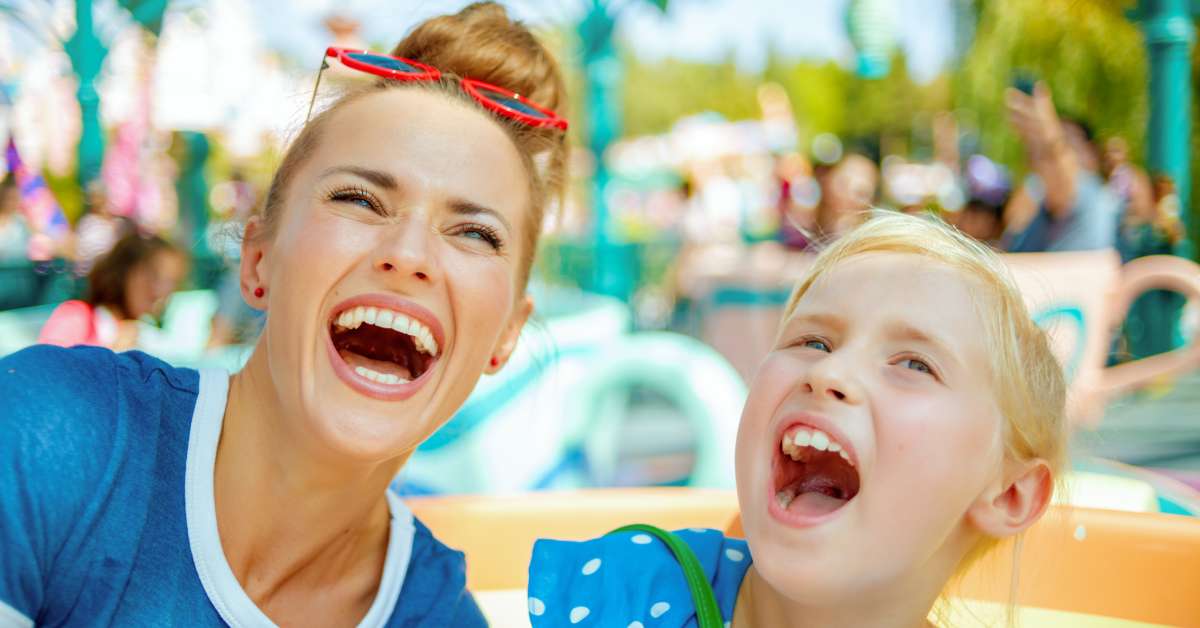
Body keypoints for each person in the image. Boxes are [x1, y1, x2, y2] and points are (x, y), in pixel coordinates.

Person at [0, 3, 568, 626]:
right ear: (258, 260)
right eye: (360, 199)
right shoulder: (55, 432)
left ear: (508, 333)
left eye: (475, 234)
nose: (409, 255)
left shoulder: (437, 615)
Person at [527, 212, 1066, 627]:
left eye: (913, 364)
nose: (830, 370)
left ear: (1009, 494)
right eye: (813, 341)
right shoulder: (629, 593)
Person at [1002, 83, 1120, 252]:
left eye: (1068, 144)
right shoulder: (1034, 194)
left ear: (1092, 154)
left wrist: (1050, 140)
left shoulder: (1091, 192)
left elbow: (1064, 185)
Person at [36, 231, 188, 351]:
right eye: (153, 277)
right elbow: (46, 373)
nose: (160, 291)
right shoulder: (76, 317)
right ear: (123, 271)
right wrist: (112, 355)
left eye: (170, 282)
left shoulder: (151, 336)